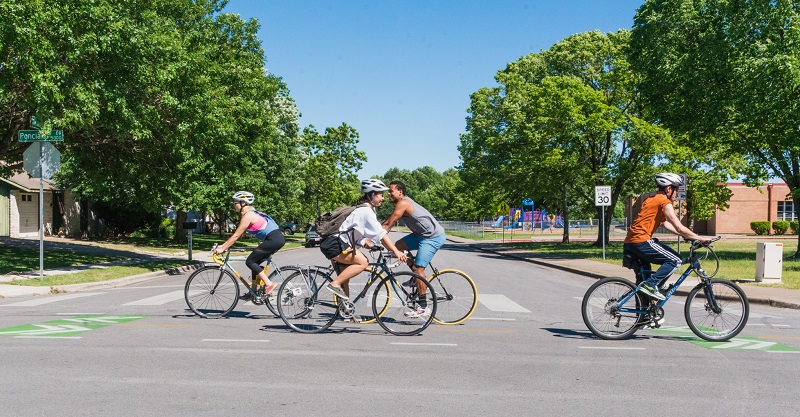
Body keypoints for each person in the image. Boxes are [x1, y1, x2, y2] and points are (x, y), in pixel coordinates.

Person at [623, 173, 710, 301]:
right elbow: (679, 226)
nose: (676, 194)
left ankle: (644, 317)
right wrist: (701, 238)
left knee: (643, 281)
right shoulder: (664, 201)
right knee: (675, 260)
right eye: (676, 189)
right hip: (641, 241)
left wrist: (686, 236)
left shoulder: (650, 199)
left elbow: (664, 224)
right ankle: (651, 285)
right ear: (669, 189)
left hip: (630, 244)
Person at [319, 179, 408, 304]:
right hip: (335, 244)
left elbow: (352, 230)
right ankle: (334, 284)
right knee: (363, 262)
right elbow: (381, 235)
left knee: (345, 279)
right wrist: (396, 251)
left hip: (335, 243)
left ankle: (345, 310)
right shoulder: (366, 211)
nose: (383, 198)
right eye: (381, 195)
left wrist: (364, 242)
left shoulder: (361, 209)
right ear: (372, 195)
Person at [381, 180, 446, 316]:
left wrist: (372, 237)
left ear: (400, 192)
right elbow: (387, 224)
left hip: (432, 237)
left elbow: (388, 224)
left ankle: (423, 306)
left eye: (391, 191)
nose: (388, 194)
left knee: (418, 269)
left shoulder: (403, 203)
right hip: (420, 235)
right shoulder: (402, 202)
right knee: (398, 246)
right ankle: (415, 277)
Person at [213, 191, 285, 302]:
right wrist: (223, 245)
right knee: (255, 263)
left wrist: (223, 248)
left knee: (250, 261)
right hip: (275, 239)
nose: (234, 205)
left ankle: (269, 284)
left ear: (243, 203)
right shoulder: (252, 213)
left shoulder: (248, 215)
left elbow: (236, 235)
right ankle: (254, 291)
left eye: (235, 202)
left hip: (273, 239)